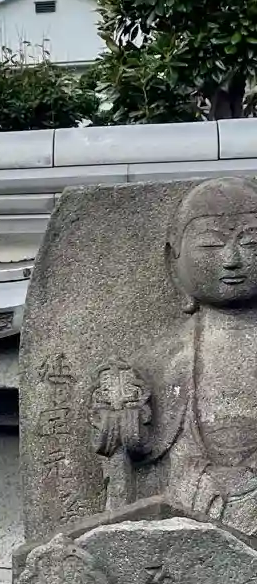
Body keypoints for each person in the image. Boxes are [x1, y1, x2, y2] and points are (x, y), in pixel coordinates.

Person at [91, 177, 257, 532]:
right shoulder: (154, 366)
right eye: (210, 245)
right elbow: (133, 469)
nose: (231, 260)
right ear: (173, 263)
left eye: (250, 243)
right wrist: (120, 426)